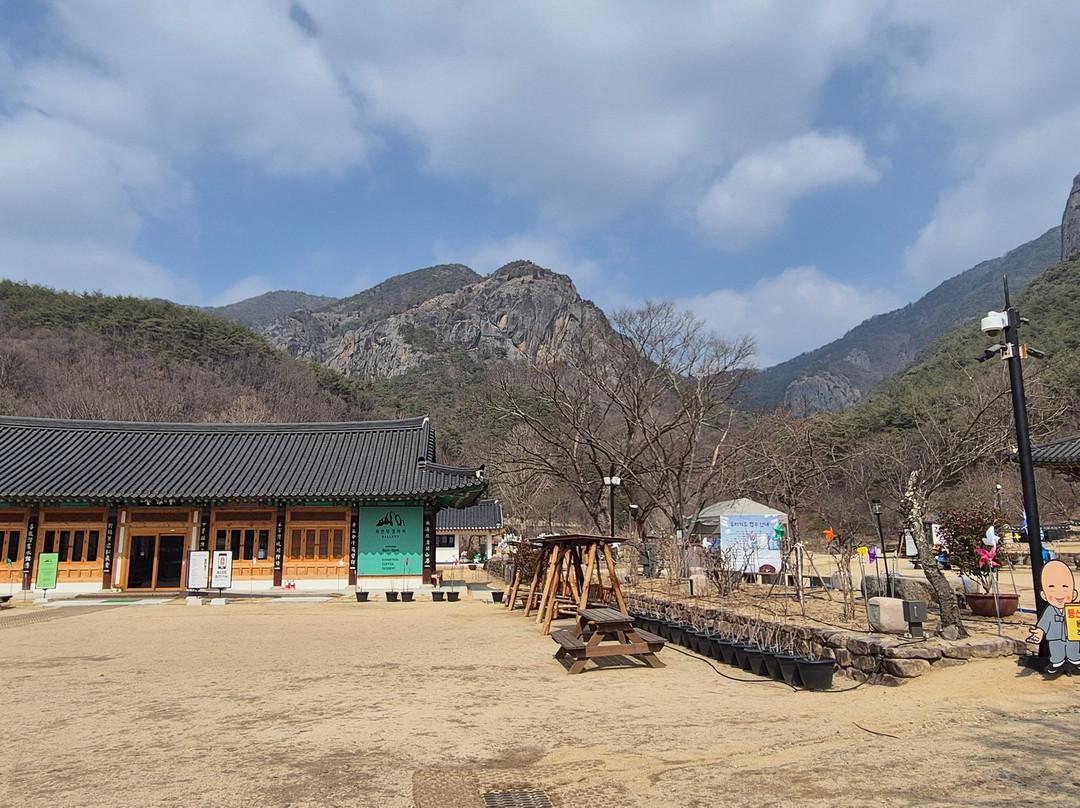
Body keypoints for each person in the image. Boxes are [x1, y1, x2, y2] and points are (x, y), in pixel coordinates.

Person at [1027, 559, 1080, 676]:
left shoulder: (1074, 609)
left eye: (1065, 587)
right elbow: (1044, 624)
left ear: (1074, 594)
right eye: (1052, 588)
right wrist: (1039, 632)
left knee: (1073, 649)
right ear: (1044, 595)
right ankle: (1057, 664)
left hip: (1072, 636)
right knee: (1057, 652)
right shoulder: (1050, 610)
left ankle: (1075, 662)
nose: (1059, 593)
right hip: (1055, 637)